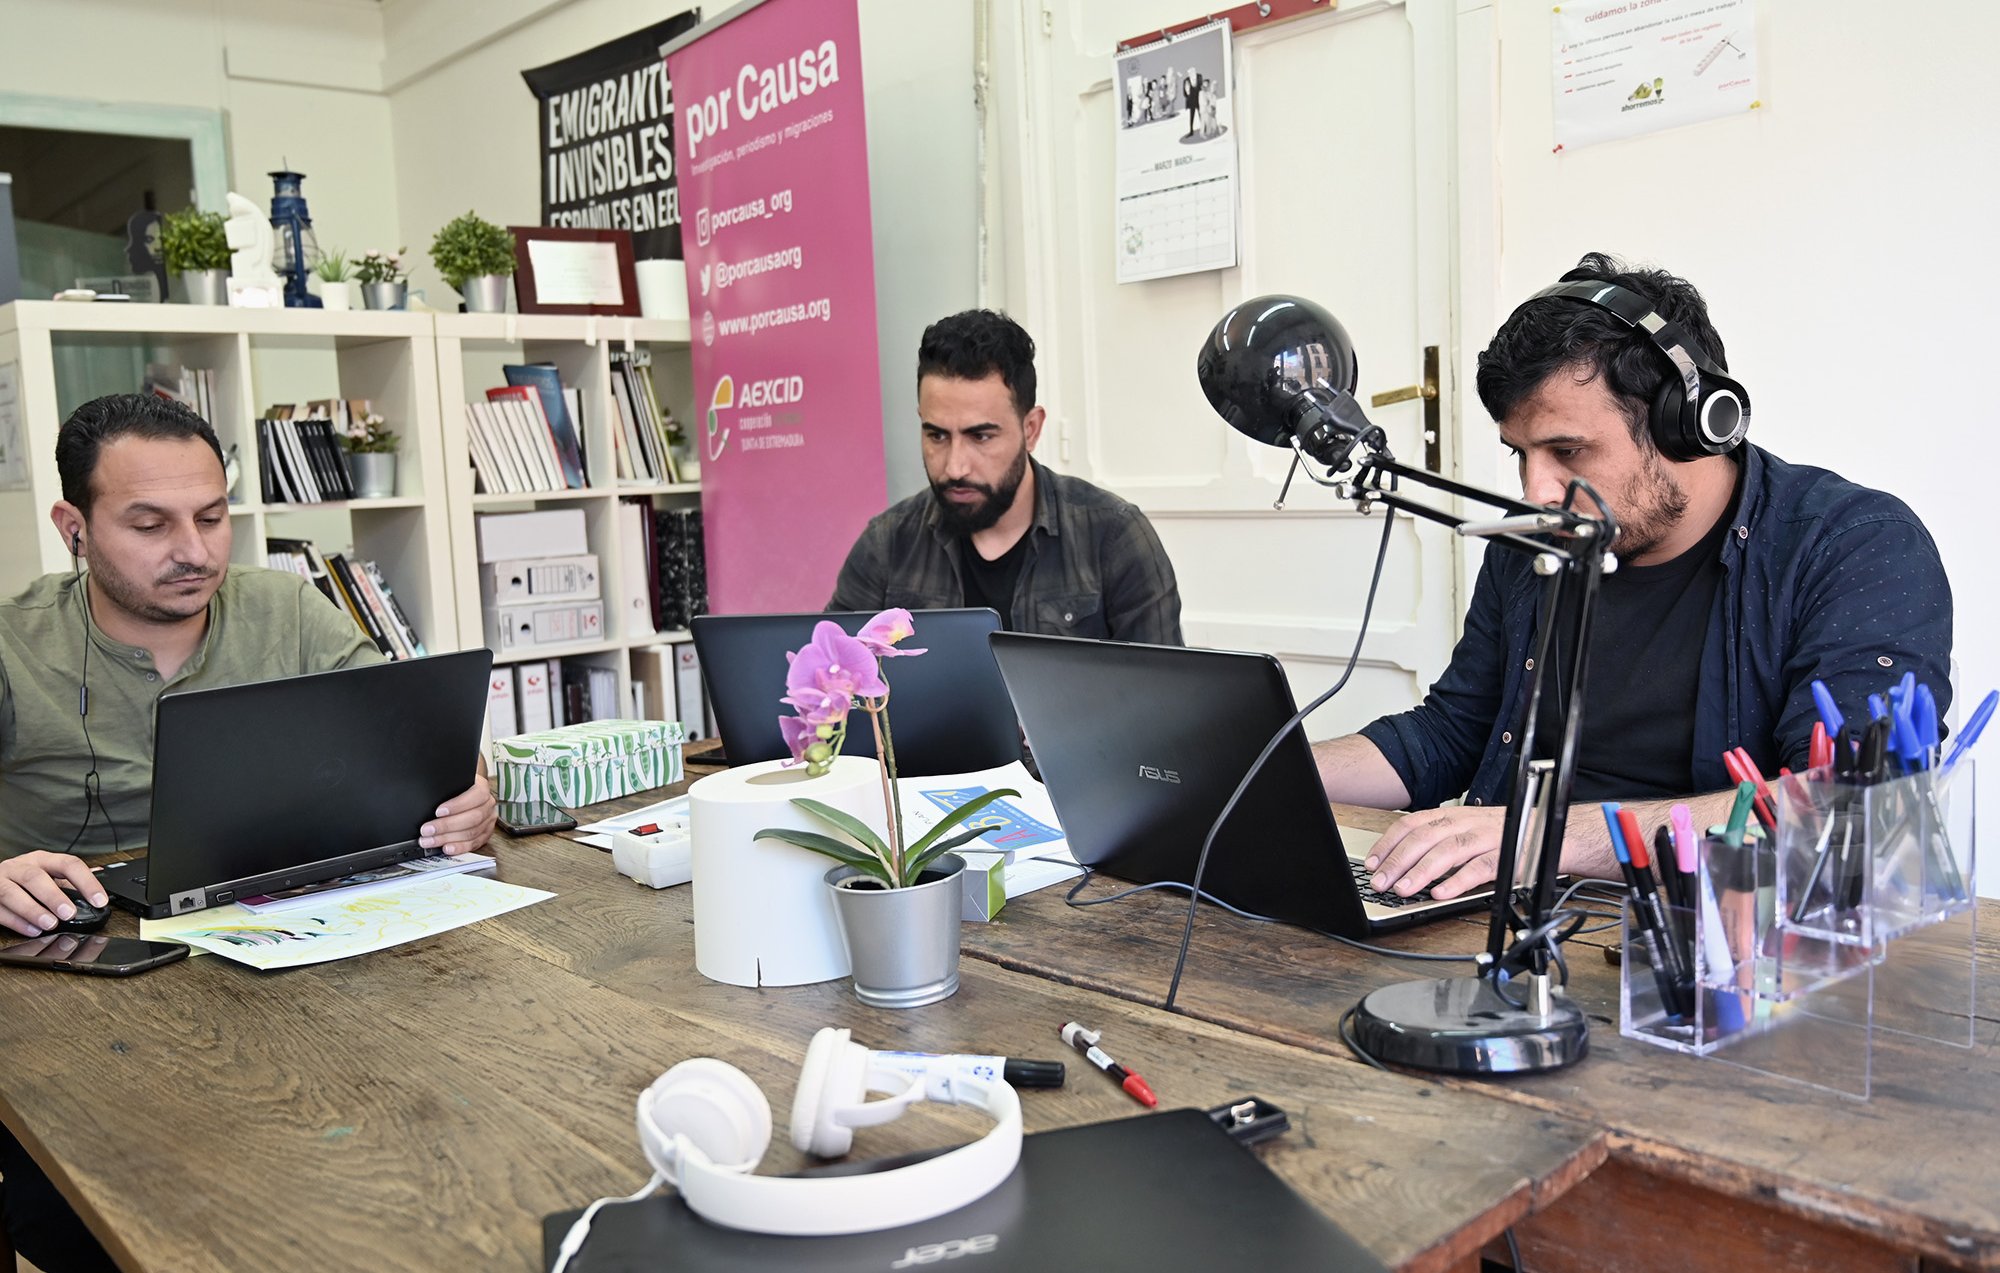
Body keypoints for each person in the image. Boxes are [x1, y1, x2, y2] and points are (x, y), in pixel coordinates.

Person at [0, 393, 498, 1269]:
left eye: (211, 516)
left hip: (292, 972)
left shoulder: (286, 611)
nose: (194, 552)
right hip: (85, 1001)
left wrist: (465, 790)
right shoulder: (12, 646)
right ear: (72, 525)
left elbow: (409, 740)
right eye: (149, 524)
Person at [1313, 253, 1952, 902]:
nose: (1537, 490)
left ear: (1688, 422)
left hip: (1712, 942)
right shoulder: (1536, 539)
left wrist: (1545, 837)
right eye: (1520, 454)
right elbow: (1449, 732)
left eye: (1566, 451)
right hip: (1507, 911)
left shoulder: (1854, 546)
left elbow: (1851, 808)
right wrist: (1268, 774)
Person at [828, 309, 1183, 645]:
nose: (955, 468)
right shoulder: (887, 545)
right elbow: (823, 683)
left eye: (980, 437)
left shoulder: (1113, 537)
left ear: (1031, 429)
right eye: (936, 435)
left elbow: (1167, 697)